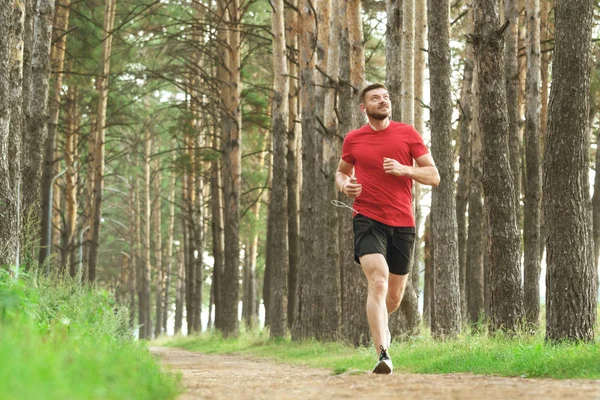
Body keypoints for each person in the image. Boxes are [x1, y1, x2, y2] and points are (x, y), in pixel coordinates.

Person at [336, 83, 440, 374]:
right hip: (367, 218)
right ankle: (383, 354)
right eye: (375, 98)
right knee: (378, 282)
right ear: (363, 108)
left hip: (402, 223)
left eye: (385, 97)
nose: (382, 101)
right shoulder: (354, 139)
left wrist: (405, 169)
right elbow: (341, 172)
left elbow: (434, 176)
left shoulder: (407, 133)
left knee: (393, 296)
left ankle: (379, 323)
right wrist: (346, 186)